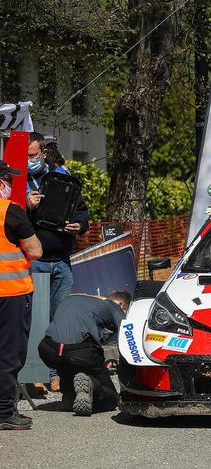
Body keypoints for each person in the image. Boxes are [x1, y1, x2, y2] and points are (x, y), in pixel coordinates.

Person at [26, 131, 89, 392]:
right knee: (33, 319)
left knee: (59, 320)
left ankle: (56, 375)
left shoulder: (62, 178)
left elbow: (82, 211)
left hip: (61, 262)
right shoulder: (18, 183)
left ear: (44, 152)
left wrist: (80, 225)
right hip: (34, 262)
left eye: (32, 155)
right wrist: (26, 205)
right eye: (25, 156)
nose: (29, 160)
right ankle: (33, 373)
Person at [0, 161, 44, 430]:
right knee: (8, 353)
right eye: (8, 181)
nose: (11, 186)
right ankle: (4, 412)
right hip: (10, 293)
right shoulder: (11, 211)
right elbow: (36, 250)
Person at [38, 291, 130, 416]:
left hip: (48, 349)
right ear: (120, 304)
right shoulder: (112, 306)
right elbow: (127, 338)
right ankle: (91, 385)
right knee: (112, 399)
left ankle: (69, 396)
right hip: (81, 353)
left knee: (67, 361)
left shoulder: (72, 297)